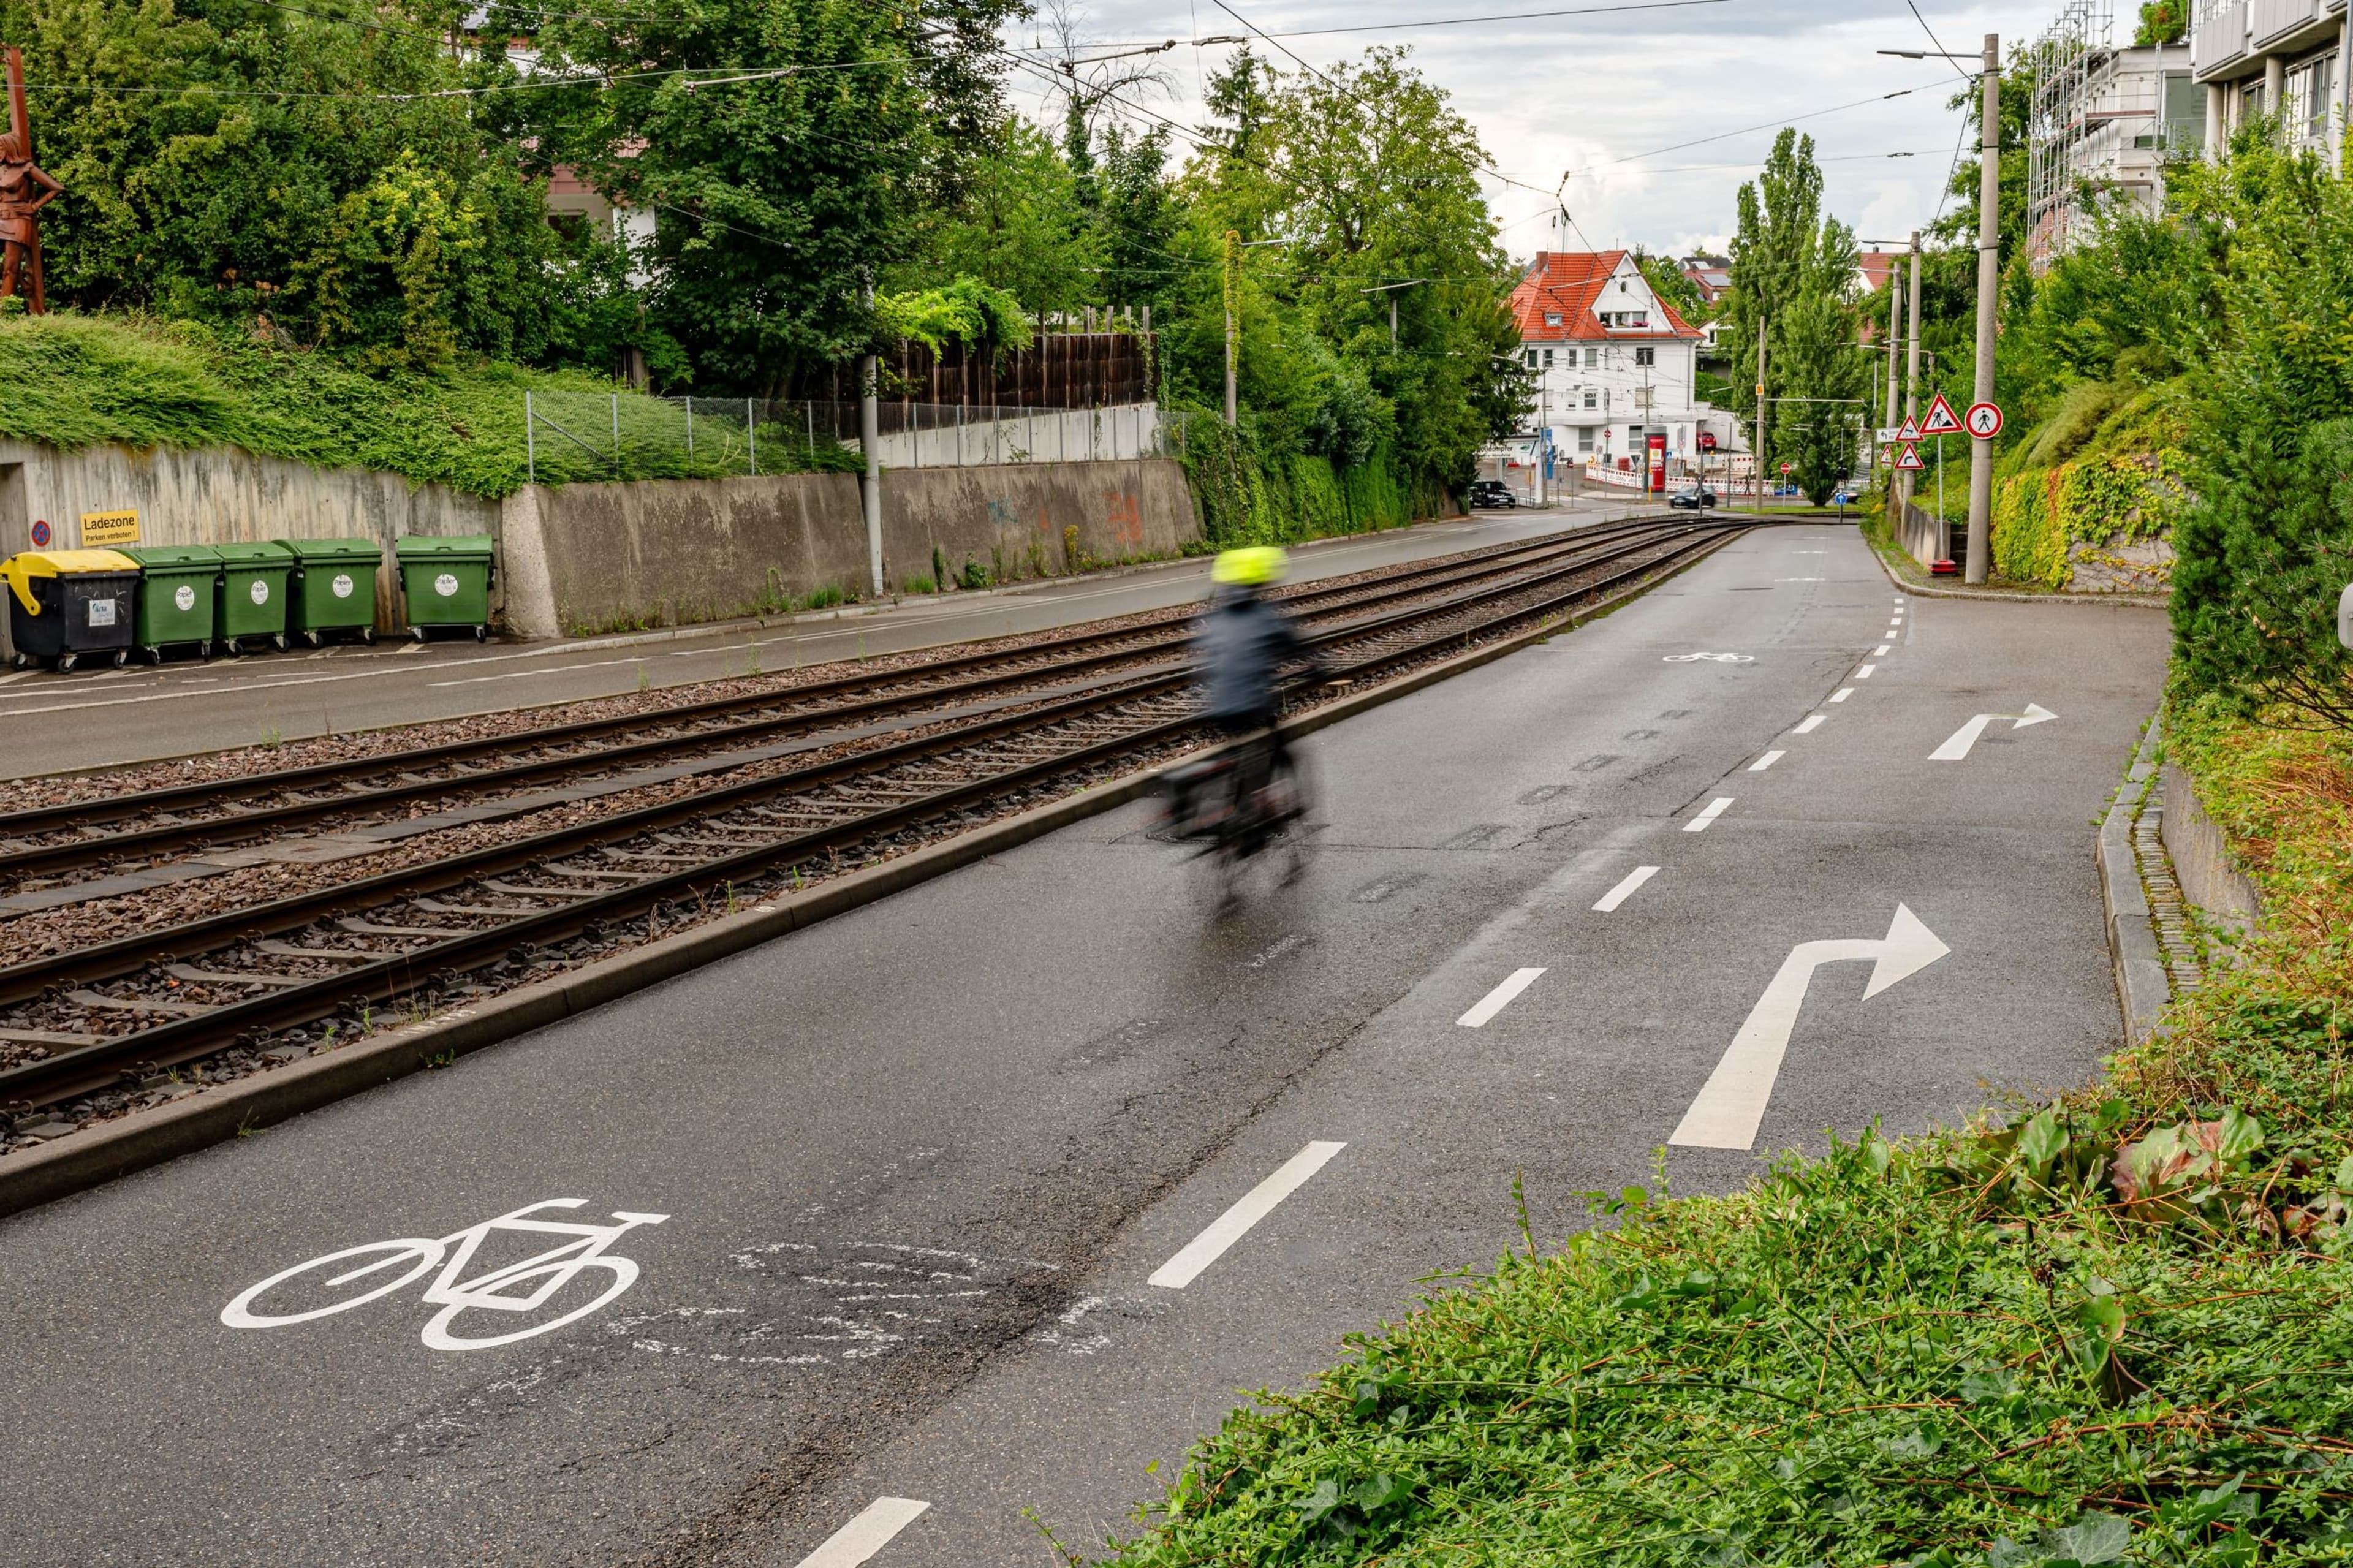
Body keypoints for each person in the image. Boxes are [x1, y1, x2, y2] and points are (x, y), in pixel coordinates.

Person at [1194, 545, 1317, 828]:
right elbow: (1294, 645)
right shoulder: (1265, 615)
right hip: (1254, 703)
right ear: (1258, 582)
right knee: (1272, 742)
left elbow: (1205, 658)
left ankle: (1235, 807)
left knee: (1237, 749)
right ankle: (1259, 805)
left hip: (1214, 706)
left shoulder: (1215, 619)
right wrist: (1316, 668)